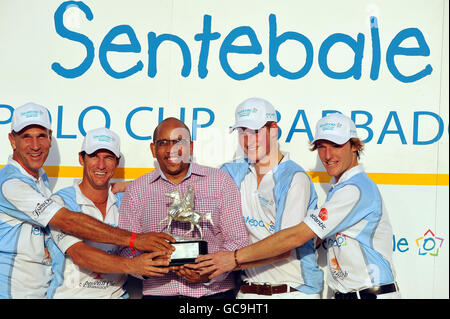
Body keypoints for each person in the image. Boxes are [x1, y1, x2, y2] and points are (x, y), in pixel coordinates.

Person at [193, 112, 400, 299]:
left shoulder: (354, 189)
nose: (328, 156)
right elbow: (311, 240)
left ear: (354, 146)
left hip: (370, 294)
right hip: (349, 294)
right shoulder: (342, 188)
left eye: (336, 145)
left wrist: (234, 259)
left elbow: (294, 237)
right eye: (321, 146)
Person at [0, 102, 174, 299]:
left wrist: (131, 186)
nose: (35, 145)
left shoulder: (40, 181)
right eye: (26, 137)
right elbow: (72, 234)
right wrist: (134, 243)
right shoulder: (13, 184)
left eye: (108, 157)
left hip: (37, 292)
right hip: (12, 292)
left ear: (49, 138)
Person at [118, 117, 249, 299]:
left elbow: (238, 240)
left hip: (214, 294)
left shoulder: (220, 182)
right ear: (153, 149)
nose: (172, 149)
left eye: (179, 141)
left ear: (191, 147)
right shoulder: (137, 190)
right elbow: (126, 246)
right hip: (159, 295)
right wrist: (148, 267)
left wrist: (210, 272)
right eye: (163, 143)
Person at [213, 97, 323, 299]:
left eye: (255, 131)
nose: (248, 140)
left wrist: (233, 260)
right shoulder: (231, 172)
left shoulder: (294, 178)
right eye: (242, 131)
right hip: (248, 291)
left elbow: (284, 246)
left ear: (274, 130)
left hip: (294, 291)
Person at [49, 127, 171, 298]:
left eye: (108, 157)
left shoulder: (126, 201)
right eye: (94, 156)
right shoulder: (60, 202)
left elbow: (170, 186)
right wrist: (133, 265)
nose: (101, 165)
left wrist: (131, 185)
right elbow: (81, 255)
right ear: (81, 159)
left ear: (117, 162)